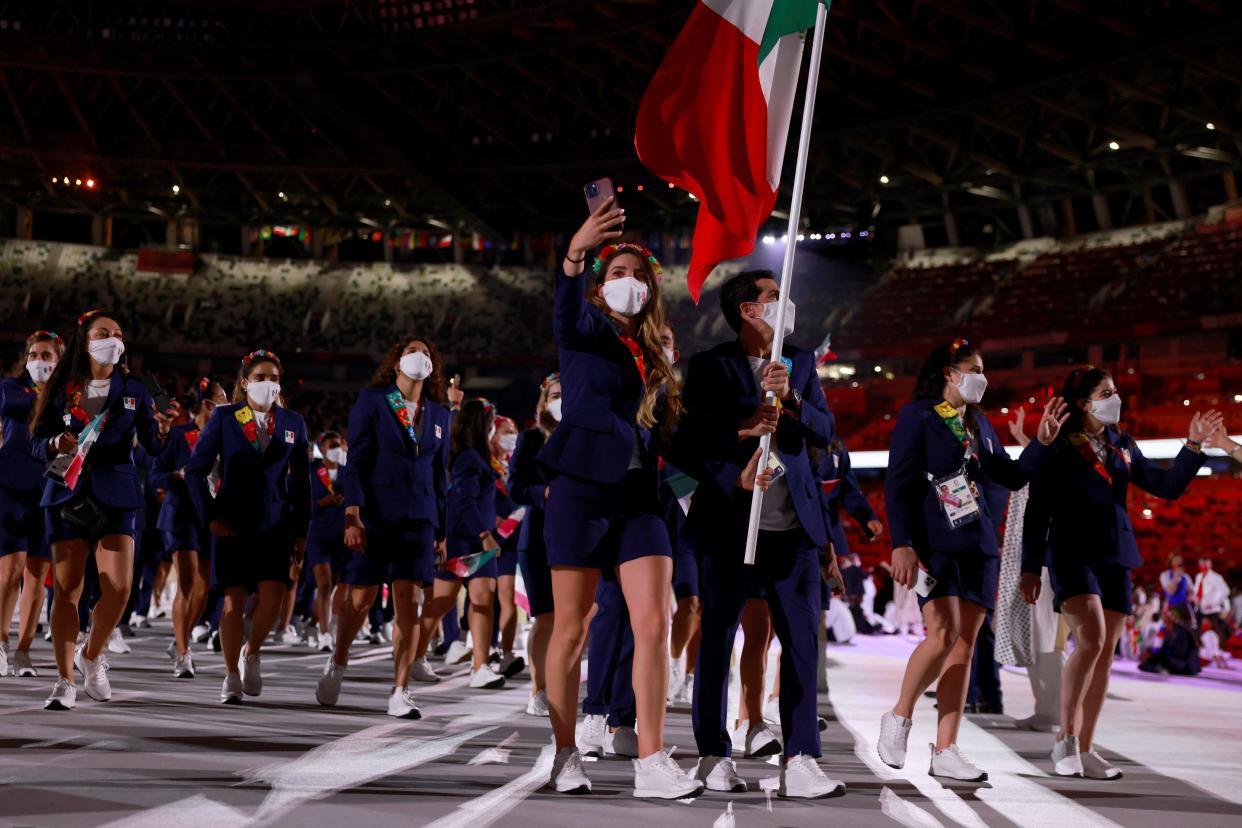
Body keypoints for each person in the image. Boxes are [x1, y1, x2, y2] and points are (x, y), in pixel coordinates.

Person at [540, 202, 700, 799]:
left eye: (638, 273)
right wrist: (576, 254)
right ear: (603, 286)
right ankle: (563, 753)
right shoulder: (585, 328)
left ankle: (652, 761)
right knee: (573, 629)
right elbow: (563, 306)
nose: (628, 281)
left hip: (639, 497)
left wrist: (744, 434)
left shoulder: (657, 356)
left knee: (655, 623)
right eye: (617, 272)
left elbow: (673, 437)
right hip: (581, 488)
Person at [677, 269, 844, 798]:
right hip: (728, 526)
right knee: (717, 640)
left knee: (798, 647)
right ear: (748, 310)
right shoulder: (709, 366)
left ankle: (800, 759)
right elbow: (688, 442)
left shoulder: (801, 361)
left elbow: (824, 431)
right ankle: (712, 754)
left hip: (792, 531)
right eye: (774, 296)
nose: (785, 301)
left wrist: (791, 395)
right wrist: (742, 438)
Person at [878, 338, 1067, 781]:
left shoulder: (980, 425)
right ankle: (899, 718)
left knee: (964, 644)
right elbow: (899, 482)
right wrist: (901, 542)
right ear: (949, 373)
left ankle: (946, 749)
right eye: (975, 368)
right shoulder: (919, 416)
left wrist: (1040, 443)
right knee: (941, 634)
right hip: (933, 540)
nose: (982, 378)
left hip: (979, 542)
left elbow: (1012, 474)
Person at [1021, 366, 1221, 778]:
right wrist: (1029, 567)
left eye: (1116, 391)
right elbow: (1038, 508)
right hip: (1072, 553)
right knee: (1090, 642)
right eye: (1107, 392)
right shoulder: (1057, 445)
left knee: (1105, 657)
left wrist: (1194, 445)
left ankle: (1087, 748)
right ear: (1083, 402)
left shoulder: (1122, 443)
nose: (1117, 398)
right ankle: (1065, 741)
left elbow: (1165, 487)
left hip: (1116, 555)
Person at [28, 311, 173, 710]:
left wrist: (162, 430)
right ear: (85, 340)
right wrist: (56, 443)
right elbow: (35, 443)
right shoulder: (60, 386)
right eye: (103, 333)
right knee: (67, 590)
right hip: (66, 493)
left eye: (118, 334)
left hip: (117, 493)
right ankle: (63, 680)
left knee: (120, 588)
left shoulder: (136, 389)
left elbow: (154, 450)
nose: (113, 338)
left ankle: (91, 655)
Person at [317, 337, 451, 717]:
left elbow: (440, 476)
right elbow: (355, 462)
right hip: (375, 515)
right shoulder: (374, 402)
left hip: (420, 519)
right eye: (412, 351)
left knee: (410, 601)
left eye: (426, 353)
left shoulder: (440, 415)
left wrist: (441, 531)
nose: (419, 357)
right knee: (360, 600)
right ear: (396, 363)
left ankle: (400, 688)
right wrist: (353, 515)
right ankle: (338, 661)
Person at [184, 349, 310, 705]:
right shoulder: (225, 418)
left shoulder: (293, 422)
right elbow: (196, 469)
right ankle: (231, 676)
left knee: (275, 596)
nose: (268, 384)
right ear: (245, 383)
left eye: (274, 378)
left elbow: (302, 483)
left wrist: (302, 530)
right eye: (260, 378)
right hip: (232, 522)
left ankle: (252, 651)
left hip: (275, 523)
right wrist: (209, 516)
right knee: (232, 603)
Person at [418, 397, 508, 690]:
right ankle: (413, 656)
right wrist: (485, 533)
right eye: (492, 422)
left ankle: (480, 667)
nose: (496, 429)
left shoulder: (478, 456)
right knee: (441, 603)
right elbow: (462, 499)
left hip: (476, 542)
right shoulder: (470, 457)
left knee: (483, 599)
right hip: (465, 542)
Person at [152, 378, 227, 679]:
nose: (228, 404)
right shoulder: (179, 434)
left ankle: (179, 637)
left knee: (204, 586)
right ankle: (183, 653)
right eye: (223, 399)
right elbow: (155, 473)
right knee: (187, 581)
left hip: (210, 516)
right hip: (181, 514)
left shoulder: (226, 437)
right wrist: (177, 475)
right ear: (208, 404)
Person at [0, 331, 63, 677]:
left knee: (38, 574)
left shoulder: (66, 394)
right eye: (35, 355)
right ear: (26, 358)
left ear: (59, 360)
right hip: (10, 484)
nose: (41, 361)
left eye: (48, 356)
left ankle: (24, 650)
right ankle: (1, 643)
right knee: (10, 570)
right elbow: (15, 407)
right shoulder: (10, 388)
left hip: (49, 487)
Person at [508, 372, 560, 715]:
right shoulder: (529, 440)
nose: (561, 400)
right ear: (544, 400)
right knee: (546, 618)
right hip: (539, 536)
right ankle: (539, 689)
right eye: (556, 394)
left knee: (573, 620)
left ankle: (560, 686)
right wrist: (541, 493)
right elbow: (514, 486)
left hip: (577, 538)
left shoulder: (587, 435)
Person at [490, 414, 526, 678]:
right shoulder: (485, 463)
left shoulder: (518, 463)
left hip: (514, 540)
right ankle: (481, 648)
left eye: (513, 430)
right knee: (483, 599)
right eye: (505, 430)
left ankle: (505, 652)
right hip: (490, 539)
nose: (511, 434)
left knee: (507, 599)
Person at [307, 431, 349, 652]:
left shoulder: (347, 471)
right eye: (332, 445)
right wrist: (323, 502)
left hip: (341, 536)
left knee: (332, 585)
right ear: (322, 449)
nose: (337, 448)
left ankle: (315, 622)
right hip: (319, 534)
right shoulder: (312, 472)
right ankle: (325, 634)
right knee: (323, 584)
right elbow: (301, 503)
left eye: (339, 444)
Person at [1193, 557, 1230, 637]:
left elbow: (1226, 591)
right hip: (1201, 609)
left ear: (1210, 564)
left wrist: (1213, 602)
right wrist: (1195, 600)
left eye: (1206, 563)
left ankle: (1219, 648)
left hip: (1213, 610)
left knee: (1216, 631)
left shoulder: (1216, 577)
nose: (1204, 565)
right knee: (1201, 631)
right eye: (1202, 563)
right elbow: (1197, 591)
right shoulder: (1198, 576)